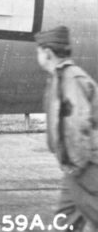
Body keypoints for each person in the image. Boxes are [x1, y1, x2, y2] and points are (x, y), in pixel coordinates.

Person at [35, 26, 98, 232]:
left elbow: (76, 126)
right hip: (76, 166)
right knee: (65, 221)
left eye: (38, 50)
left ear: (48, 53)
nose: (38, 55)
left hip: (86, 165)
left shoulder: (70, 80)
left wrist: (76, 166)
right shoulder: (60, 77)